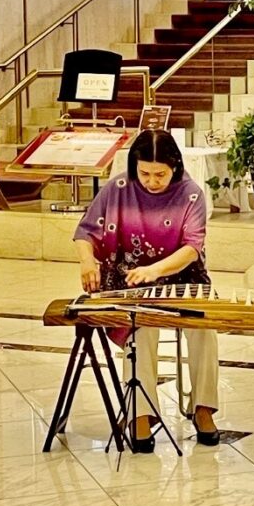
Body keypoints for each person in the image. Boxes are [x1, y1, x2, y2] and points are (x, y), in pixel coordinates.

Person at [75, 129, 221, 452]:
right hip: (132, 279)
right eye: (144, 174)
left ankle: (203, 408)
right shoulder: (119, 188)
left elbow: (192, 248)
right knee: (141, 328)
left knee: (204, 328)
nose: (152, 182)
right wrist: (87, 261)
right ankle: (140, 414)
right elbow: (85, 231)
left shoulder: (191, 194)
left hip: (182, 277)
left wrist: (155, 270)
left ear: (175, 167)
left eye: (160, 175)